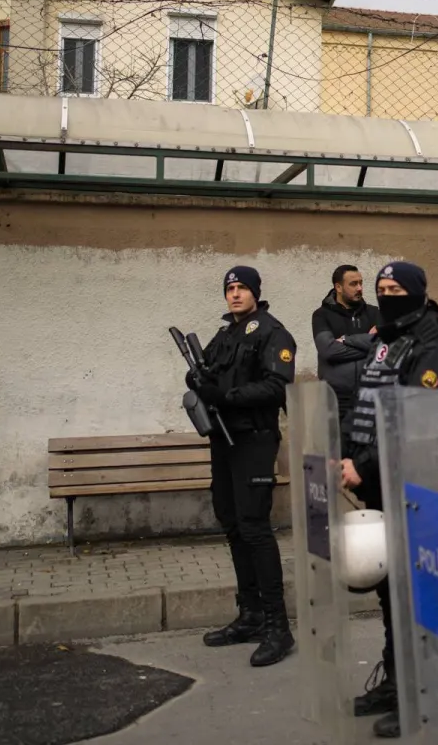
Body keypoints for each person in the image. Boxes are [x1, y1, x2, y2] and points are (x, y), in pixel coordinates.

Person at [339, 260, 438, 739]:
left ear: (417, 293)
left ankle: (425, 693)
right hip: (378, 481)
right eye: (381, 288)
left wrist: (361, 464)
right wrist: (345, 454)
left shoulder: (434, 346)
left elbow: (412, 420)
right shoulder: (387, 337)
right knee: (391, 594)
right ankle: (397, 681)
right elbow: (364, 400)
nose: (388, 296)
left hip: (414, 483)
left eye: (396, 289)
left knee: (414, 595)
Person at [189, 265, 299, 667]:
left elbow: (276, 386)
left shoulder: (273, 332)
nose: (235, 294)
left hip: (253, 439)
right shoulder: (225, 335)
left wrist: (227, 395)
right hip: (223, 439)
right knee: (233, 524)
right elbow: (209, 375)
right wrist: (197, 380)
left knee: (254, 528)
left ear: (256, 292)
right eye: (230, 289)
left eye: (242, 288)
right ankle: (250, 615)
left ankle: (278, 628)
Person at [311, 264, 380, 418]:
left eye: (361, 283)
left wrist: (346, 340)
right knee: (337, 442)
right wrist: (368, 345)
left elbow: (383, 345)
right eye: (353, 284)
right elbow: (329, 350)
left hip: (370, 396)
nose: (360, 288)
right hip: (336, 399)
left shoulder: (375, 313)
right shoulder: (321, 315)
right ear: (338, 287)